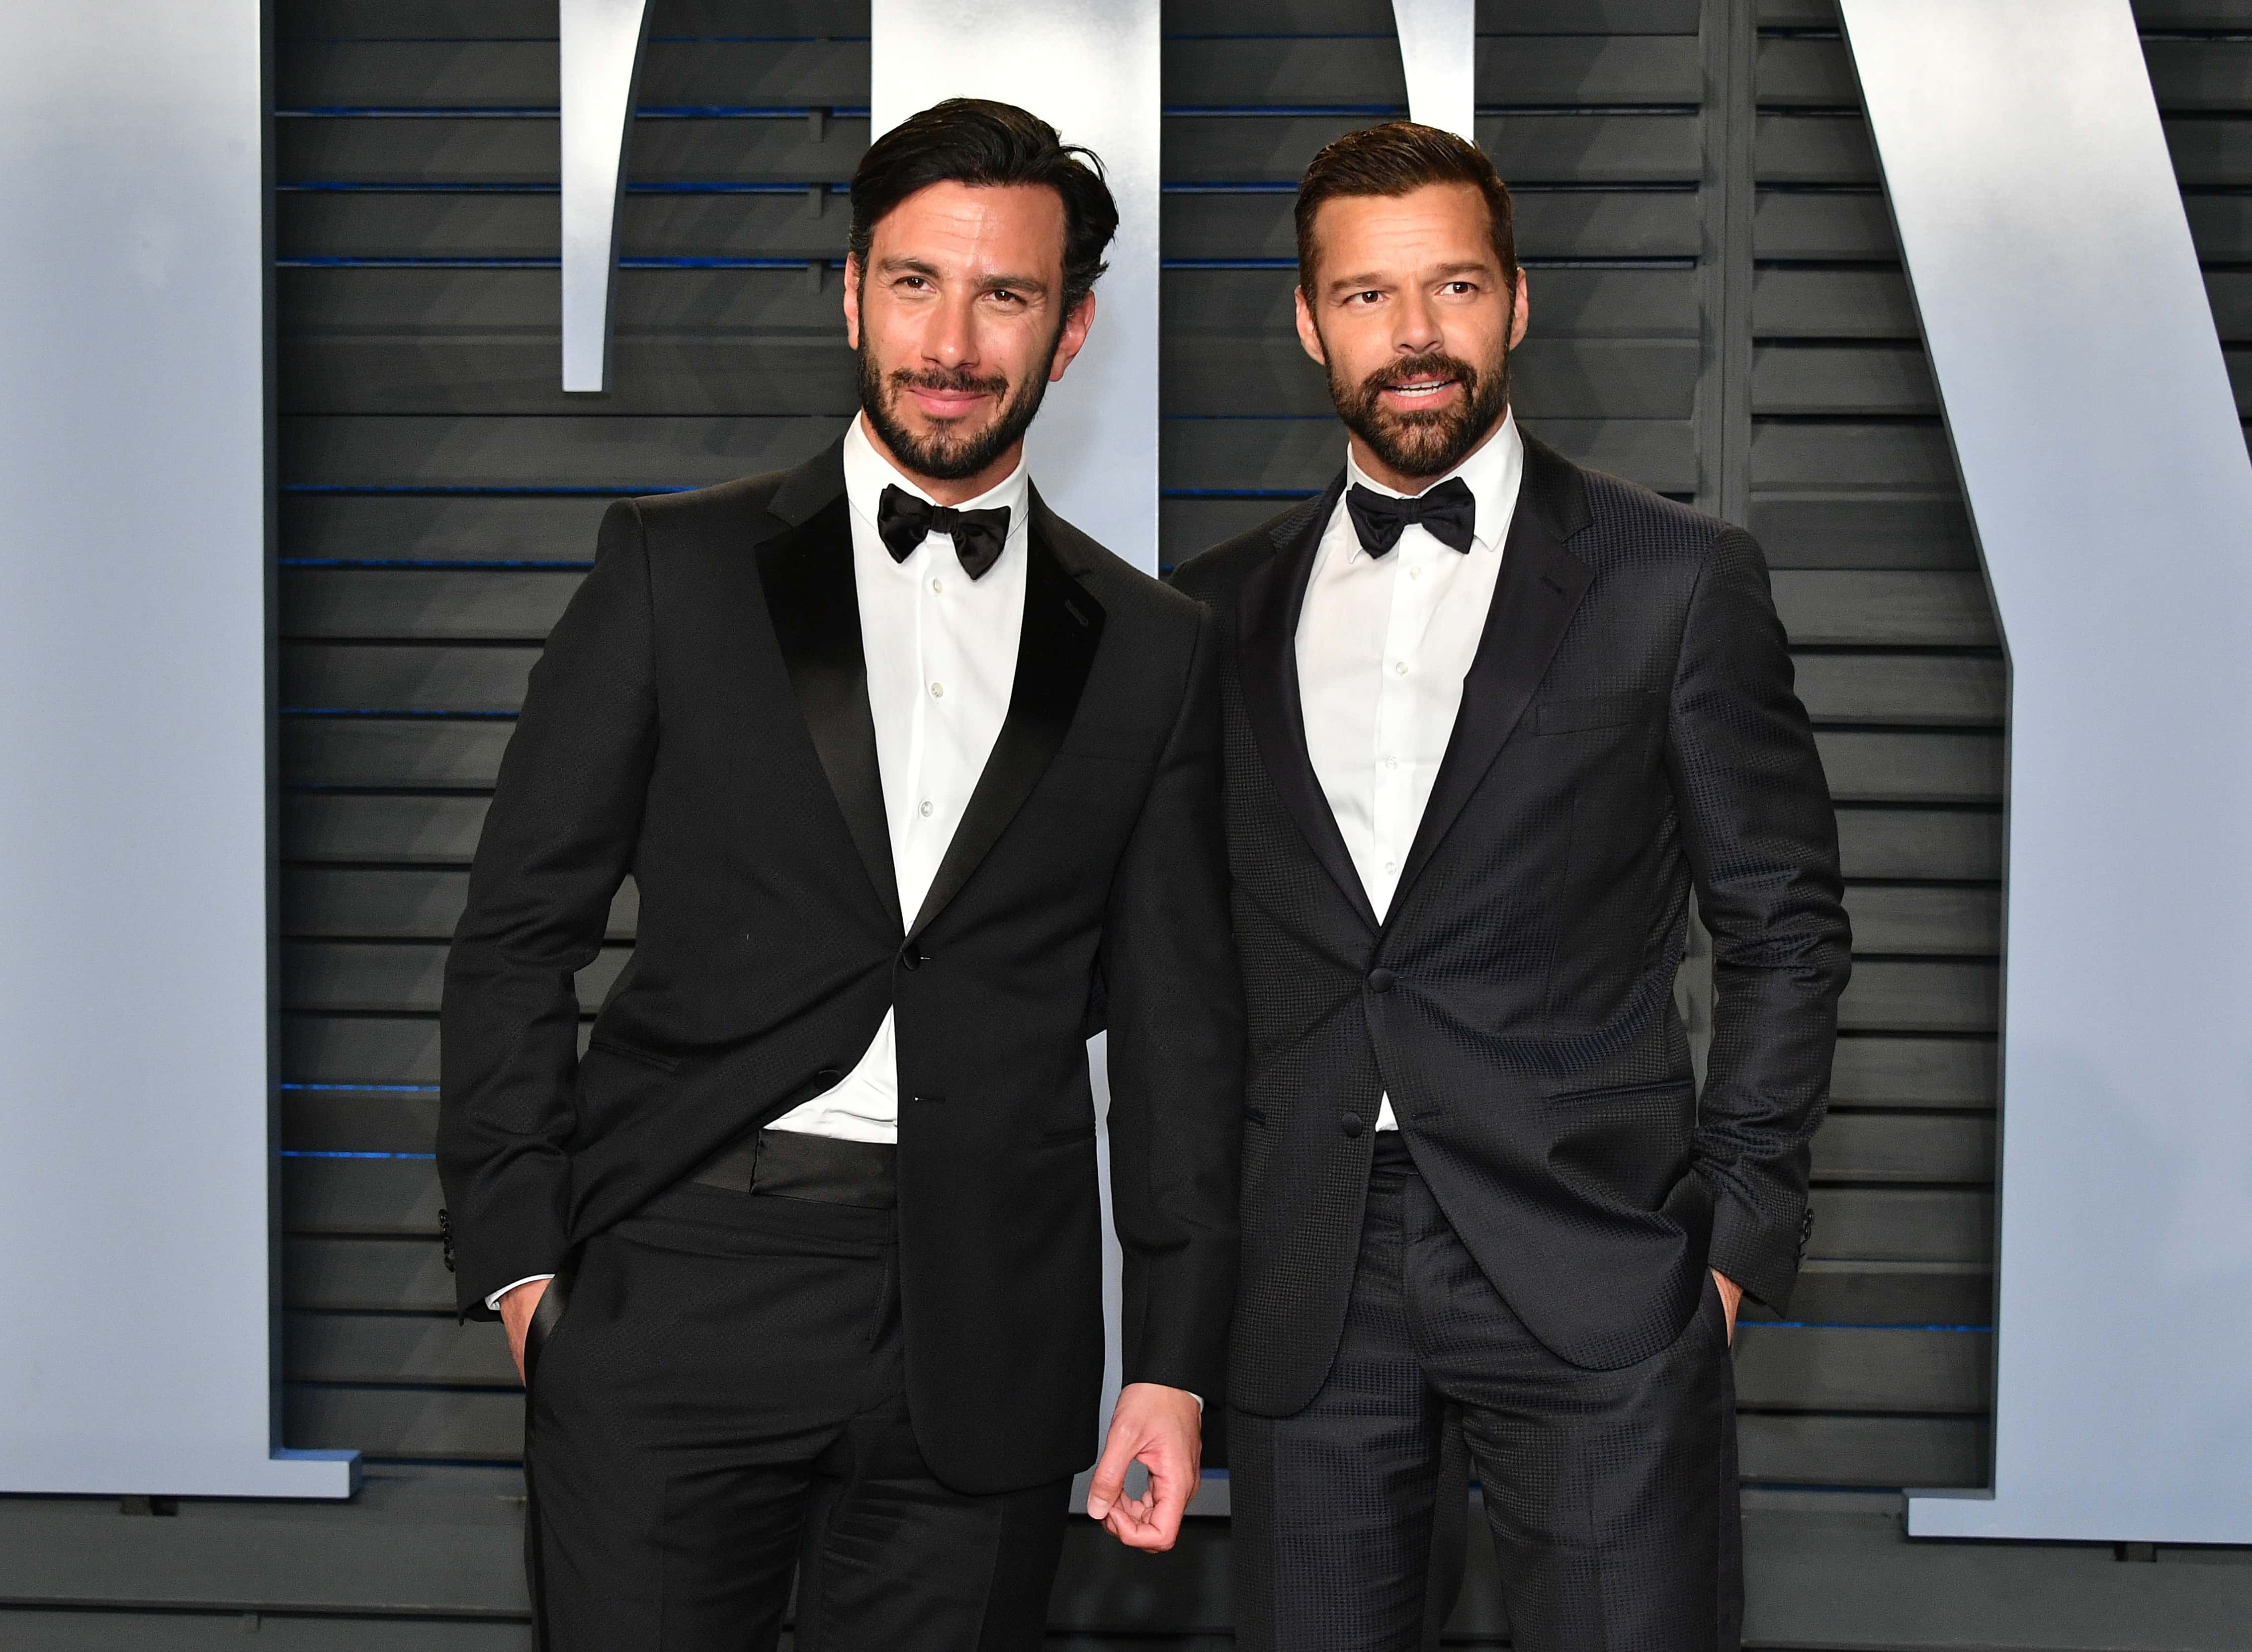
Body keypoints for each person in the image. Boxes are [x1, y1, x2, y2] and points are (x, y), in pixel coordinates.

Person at [437, 98, 1243, 1652]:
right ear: (854, 294)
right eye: (916, 283)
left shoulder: (1154, 648)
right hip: (680, 1281)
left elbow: (1178, 1033)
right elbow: (517, 929)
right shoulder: (674, 569)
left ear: (1070, 331)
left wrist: (1169, 1358)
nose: (952, 340)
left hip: (990, 1327)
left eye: (1004, 295)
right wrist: (524, 1262)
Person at [1171, 122, 1852, 1652]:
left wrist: (1731, 1239)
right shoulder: (1214, 610)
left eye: (1454, 285)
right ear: (1308, 323)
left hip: (1596, 1249)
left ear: (1517, 302)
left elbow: (1783, 923)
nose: (1414, 332)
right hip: (1310, 1272)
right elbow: (1181, 963)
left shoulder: (1673, 576)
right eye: (1366, 295)